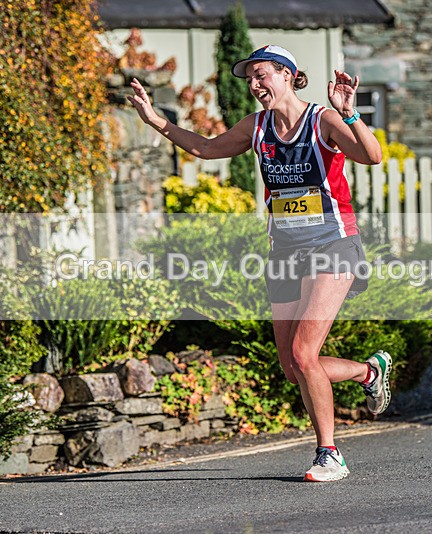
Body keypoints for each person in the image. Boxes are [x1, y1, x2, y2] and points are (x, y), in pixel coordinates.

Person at [126, 45, 393, 482]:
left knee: (305, 353)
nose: (254, 85)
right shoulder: (257, 127)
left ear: (288, 76)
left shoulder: (322, 120)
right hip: (285, 252)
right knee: (293, 367)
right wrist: (157, 121)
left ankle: (330, 453)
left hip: (333, 245)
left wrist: (349, 113)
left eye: (262, 75)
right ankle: (369, 371)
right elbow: (207, 149)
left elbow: (372, 156)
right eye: (249, 78)